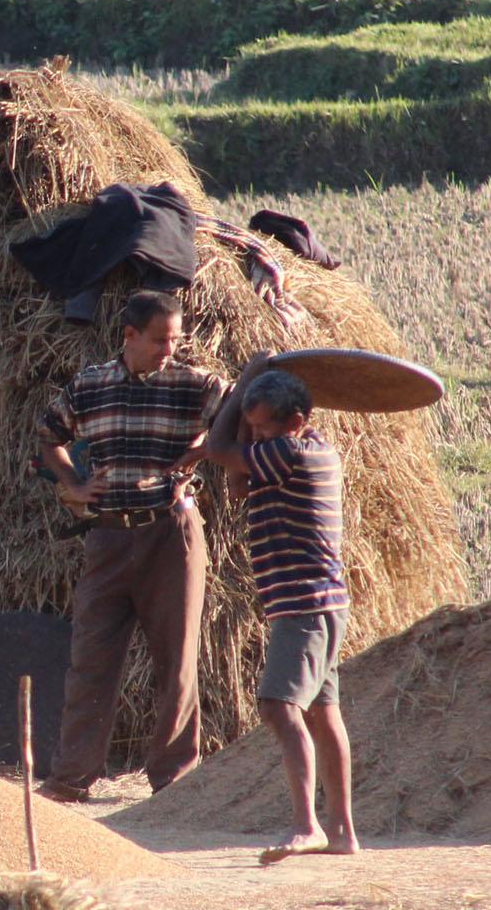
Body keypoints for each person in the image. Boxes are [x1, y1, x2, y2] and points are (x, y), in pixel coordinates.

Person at [36, 288, 227, 802]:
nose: (170, 349)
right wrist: (74, 484)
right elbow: (49, 435)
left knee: (176, 661)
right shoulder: (90, 385)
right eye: (161, 340)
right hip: (108, 539)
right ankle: (70, 779)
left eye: (176, 339)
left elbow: (241, 419)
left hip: (171, 536)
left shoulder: (196, 385)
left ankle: (173, 782)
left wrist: (199, 452)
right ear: (130, 335)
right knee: (90, 660)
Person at [193, 363, 359, 865]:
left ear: (297, 421)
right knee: (323, 713)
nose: (259, 436)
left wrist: (243, 382)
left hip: (305, 604)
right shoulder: (293, 452)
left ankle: (308, 825)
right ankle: (343, 831)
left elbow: (217, 449)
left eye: (265, 427)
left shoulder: (291, 453)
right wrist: (249, 425)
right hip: (317, 604)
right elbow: (238, 485)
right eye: (256, 429)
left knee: (278, 707)